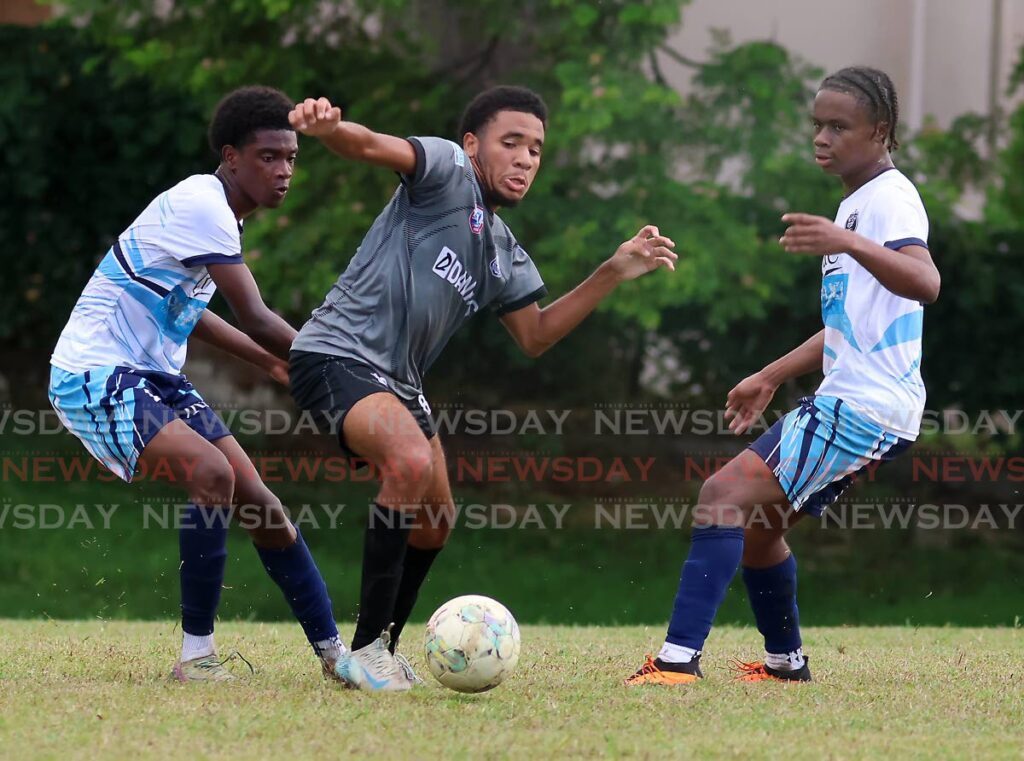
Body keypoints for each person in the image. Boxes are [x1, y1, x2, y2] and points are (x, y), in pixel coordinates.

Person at [285, 85, 677, 690]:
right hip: (338, 354)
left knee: (437, 517)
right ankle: (363, 651)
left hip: (400, 384)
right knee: (411, 462)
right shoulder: (445, 170)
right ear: (473, 145)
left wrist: (611, 272)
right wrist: (328, 129)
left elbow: (537, 334)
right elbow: (368, 145)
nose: (525, 159)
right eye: (511, 143)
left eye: (537, 150)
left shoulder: (501, 250)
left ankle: (383, 647)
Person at [625, 66, 940, 685]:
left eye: (838, 126)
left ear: (880, 132)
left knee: (722, 496)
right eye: (817, 125)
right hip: (862, 400)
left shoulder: (889, 198)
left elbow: (925, 281)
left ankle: (675, 663)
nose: (822, 137)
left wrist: (848, 245)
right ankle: (785, 665)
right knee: (761, 531)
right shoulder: (854, 204)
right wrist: (770, 374)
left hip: (864, 406)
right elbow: (850, 327)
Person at [48, 86, 347, 682]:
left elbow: (190, 309)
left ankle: (338, 657)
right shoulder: (203, 205)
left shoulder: (219, 214)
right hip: (91, 372)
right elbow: (257, 315)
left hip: (153, 373)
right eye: (268, 157)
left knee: (262, 505)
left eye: (291, 157)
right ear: (231, 156)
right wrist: (337, 364)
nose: (284, 170)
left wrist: (268, 364)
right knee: (212, 474)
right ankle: (196, 659)